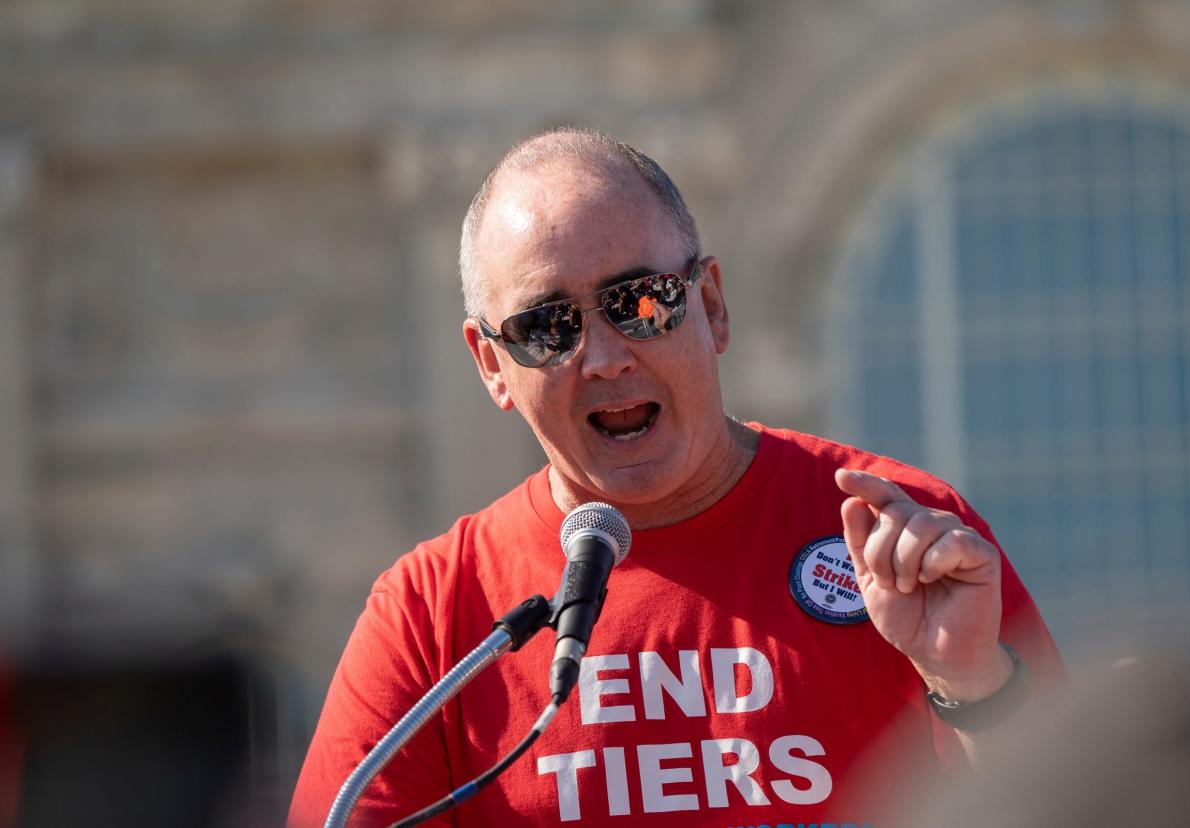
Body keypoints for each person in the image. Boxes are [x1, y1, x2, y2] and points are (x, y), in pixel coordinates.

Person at [288, 128, 1063, 827]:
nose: (604, 357)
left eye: (641, 302)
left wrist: (967, 680)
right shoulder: (436, 615)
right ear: (492, 364)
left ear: (713, 306)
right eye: (546, 327)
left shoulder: (901, 535)